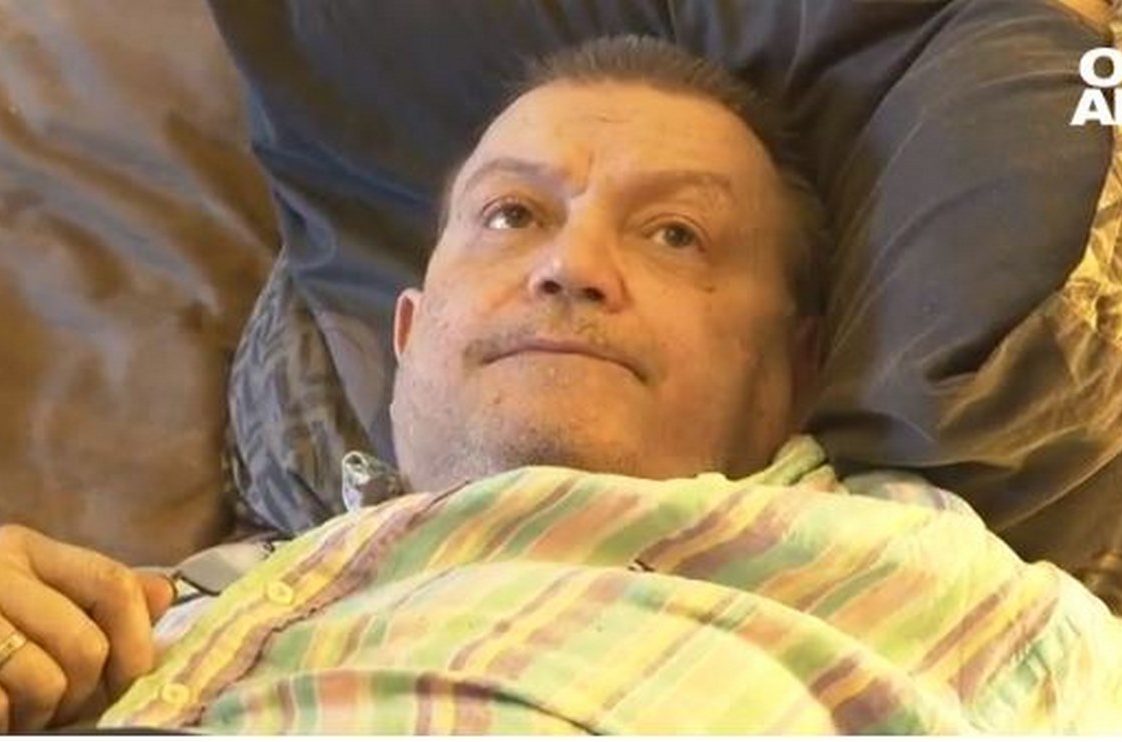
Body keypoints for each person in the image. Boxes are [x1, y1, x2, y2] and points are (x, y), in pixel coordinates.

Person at [0, 36, 1119, 734]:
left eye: (676, 234)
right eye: (511, 214)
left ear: (794, 368)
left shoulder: (956, 596)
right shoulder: (149, 604)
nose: (571, 265)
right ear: (408, 336)